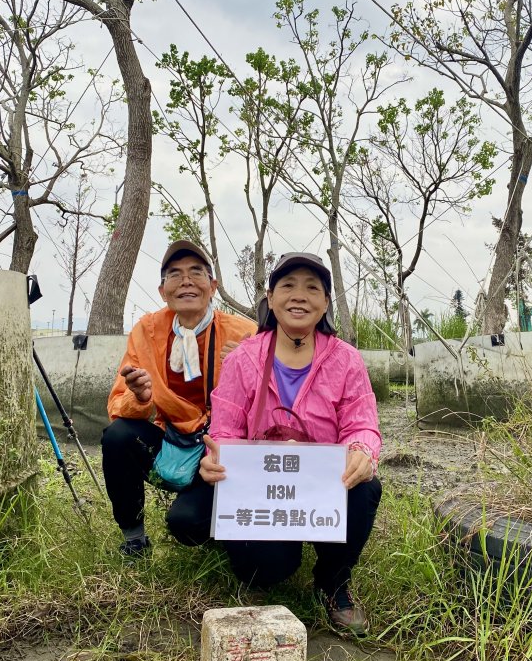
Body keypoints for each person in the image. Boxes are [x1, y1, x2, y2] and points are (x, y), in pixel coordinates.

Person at [167, 251, 382, 636]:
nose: (299, 296)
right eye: (288, 286)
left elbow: (362, 425)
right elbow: (225, 429)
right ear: (270, 297)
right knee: (265, 568)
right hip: (261, 490)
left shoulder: (347, 361)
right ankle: (240, 541)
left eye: (312, 288)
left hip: (319, 489)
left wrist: (362, 453)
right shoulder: (246, 358)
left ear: (326, 302)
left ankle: (333, 584)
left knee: (366, 488)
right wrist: (215, 459)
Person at [102, 239, 256, 555]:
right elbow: (117, 402)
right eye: (175, 274)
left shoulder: (245, 333)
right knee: (117, 436)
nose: (186, 281)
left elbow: (270, 410)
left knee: (186, 524)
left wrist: (248, 369)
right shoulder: (146, 330)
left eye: (196, 272)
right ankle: (134, 538)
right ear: (163, 291)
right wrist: (141, 397)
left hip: (219, 447)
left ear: (212, 286)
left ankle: (225, 529)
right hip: (169, 437)